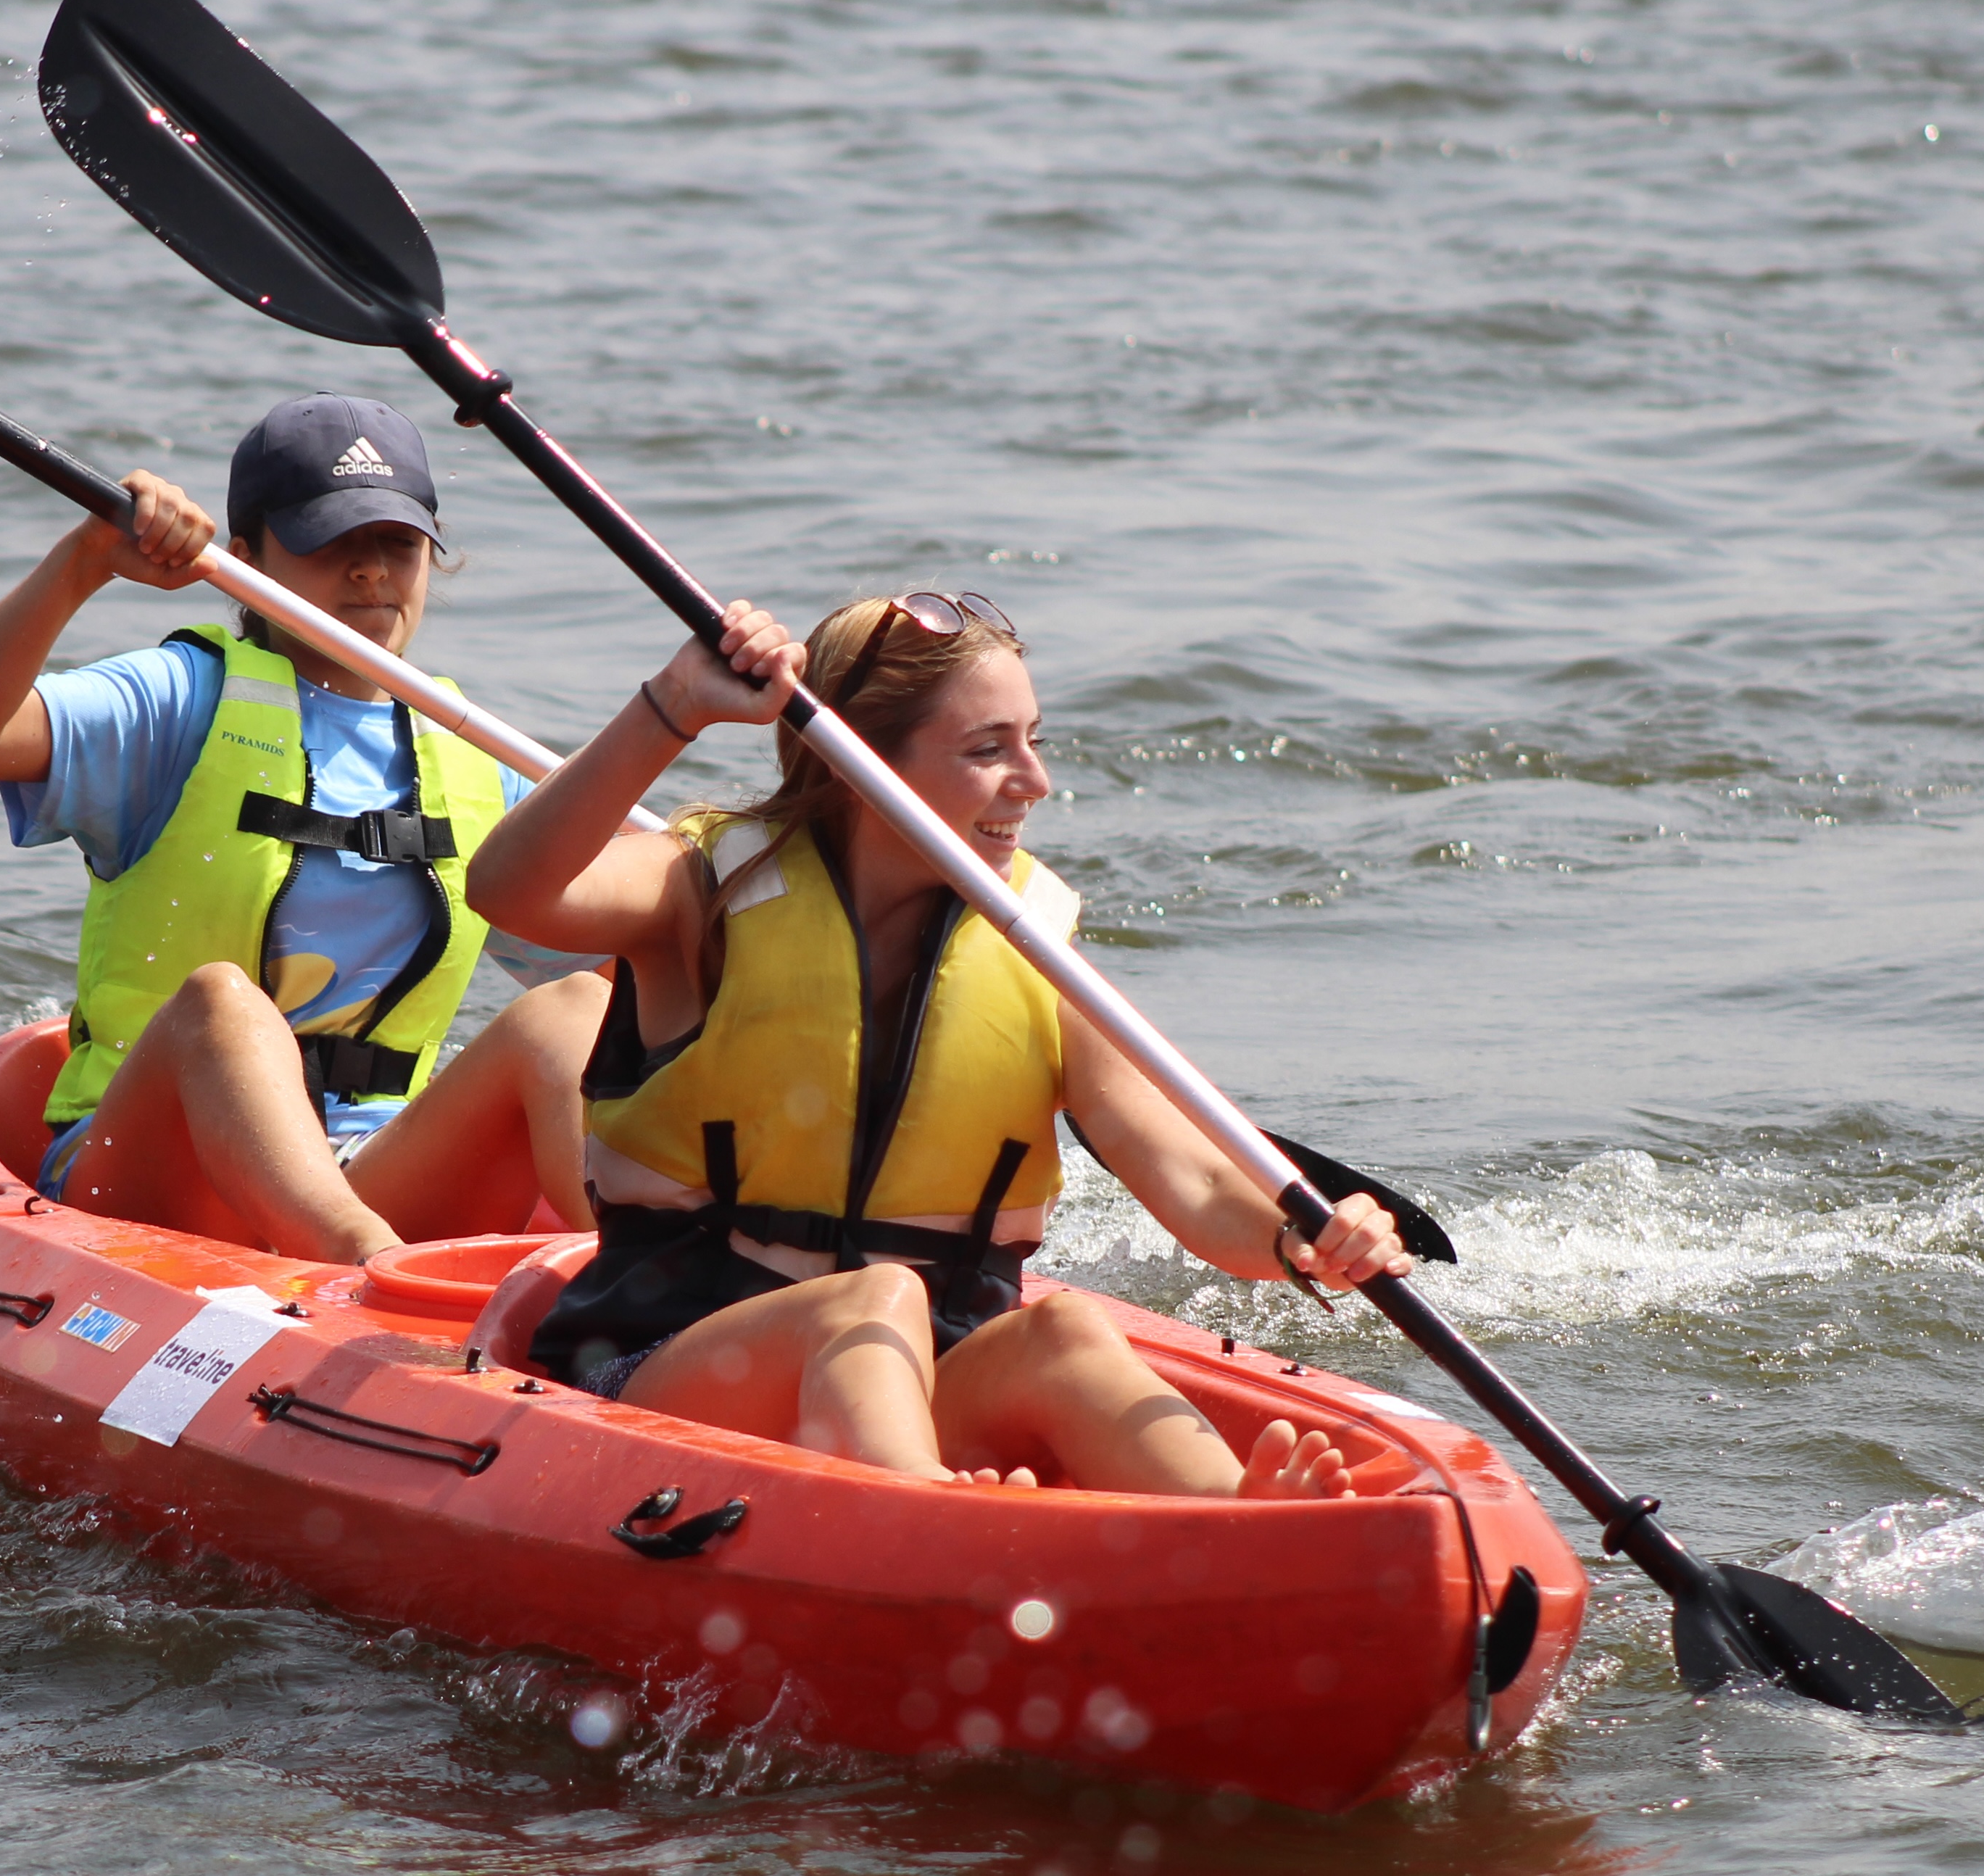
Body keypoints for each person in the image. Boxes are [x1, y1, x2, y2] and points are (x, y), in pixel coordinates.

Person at [463, 588, 1414, 1497]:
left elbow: (1193, 1181)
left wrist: (1303, 1236)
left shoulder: (1032, 949)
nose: (1033, 783)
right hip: (666, 1370)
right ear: (859, 763)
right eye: (986, 749)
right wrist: (673, 708)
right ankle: (925, 1515)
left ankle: (1227, 1512)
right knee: (869, 1303)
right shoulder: (697, 890)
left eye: (1032, 743)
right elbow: (508, 891)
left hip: (912, 1382)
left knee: (1062, 1335)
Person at [0, 393, 607, 1261]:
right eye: (332, 541)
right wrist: (84, 561)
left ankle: (644, 1281)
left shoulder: (481, 757)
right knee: (222, 1007)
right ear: (246, 562)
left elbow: (640, 974)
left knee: (571, 1011)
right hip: (156, 1170)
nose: (369, 571)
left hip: (374, 1168)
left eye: (395, 541)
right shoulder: (176, 700)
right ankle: (369, 1270)